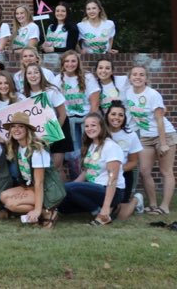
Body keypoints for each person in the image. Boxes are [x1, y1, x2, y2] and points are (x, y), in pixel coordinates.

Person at [125, 65, 176, 215]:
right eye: (134, 74)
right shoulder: (128, 93)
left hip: (165, 134)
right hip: (146, 136)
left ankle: (164, 206)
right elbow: (132, 118)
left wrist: (164, 143)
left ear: (146, 78)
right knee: (144, 170)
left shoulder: (153, 94)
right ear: (130, 78)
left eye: (141, 75)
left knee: (165, 171)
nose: (138, 77)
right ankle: (153, 205)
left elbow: (160, 119)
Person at [0, 112, 66, 228]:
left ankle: (46, 212)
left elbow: (40, 182)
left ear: (27, 130)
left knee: (11, 204)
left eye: (21, 126)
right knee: (3, 196)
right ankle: (42, 213)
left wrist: (36, 209)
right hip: (31, 186)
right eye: (13, 126)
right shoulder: (17, 147)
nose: (16, 130)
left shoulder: (37, 150)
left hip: (48, 190)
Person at [58, 112, 123, 225]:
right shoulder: (92, 146)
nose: (89, 129)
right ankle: (102, 208)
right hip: (95, 188)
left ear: (102, 126)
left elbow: (113, 178)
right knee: (63, 207)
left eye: (93, 125)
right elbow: (86, 171)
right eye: (86, 126)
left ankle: (101, 212)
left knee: (69, 188)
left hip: (111, 190)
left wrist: (106, 206)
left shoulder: (111, 146)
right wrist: (70, 188)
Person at [104, 102, 143, 220]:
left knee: (121, 216)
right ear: (107, 115)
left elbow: (133, 162)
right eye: (113, 114)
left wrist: (117, 171)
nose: (116, 118)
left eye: (121, 115)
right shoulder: (101, 132)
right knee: (102, 210)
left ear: (125, 118)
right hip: (101, 175)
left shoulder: (131, 135)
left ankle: (136, 199)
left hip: (123, 175)